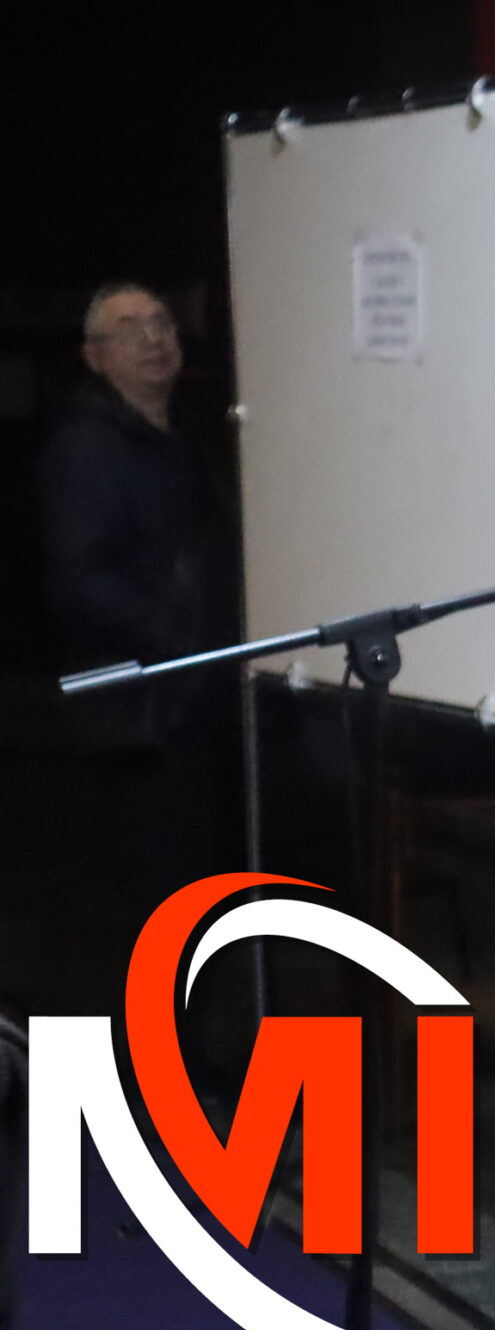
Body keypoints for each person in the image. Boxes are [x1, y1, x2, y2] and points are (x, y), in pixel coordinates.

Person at [36, 282, 239, 1008]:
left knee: (207, 903)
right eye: (130, 329)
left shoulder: (187, 439)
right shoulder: (86, 449)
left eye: (162, 323)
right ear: (95, 357)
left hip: (199, 703)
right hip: (142, 714)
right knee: (163, 908)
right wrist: (180, 633)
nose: (154, 339)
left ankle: (200, 1054)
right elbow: (79, 582)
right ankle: (162, 1065)